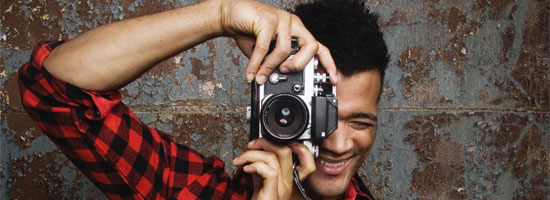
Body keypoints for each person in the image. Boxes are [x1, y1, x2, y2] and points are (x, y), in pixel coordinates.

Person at [18, 0, 388, 199]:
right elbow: (53, 91)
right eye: (323, 116)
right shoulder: (190, 189)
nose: (338, 144)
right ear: (272, 105)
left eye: (360, 122)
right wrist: (220, 15)